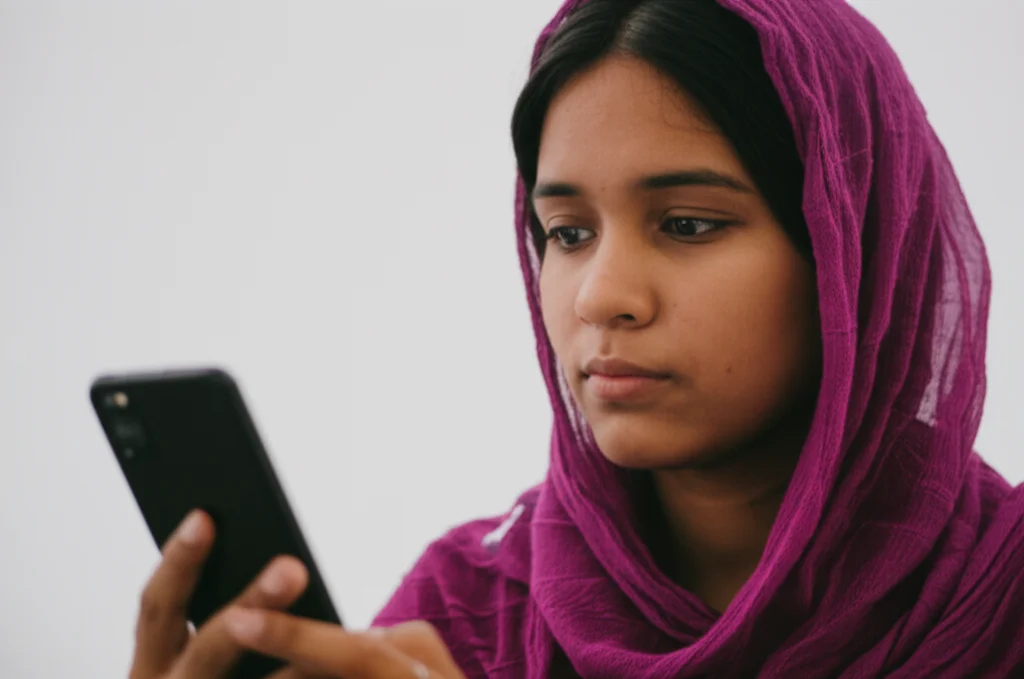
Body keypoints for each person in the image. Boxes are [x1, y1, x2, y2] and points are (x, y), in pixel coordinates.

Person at [125, 0, 1024, 677]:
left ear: (855, 251)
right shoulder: (468, 617)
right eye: (566, 232)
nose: (601, 297)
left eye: (688, 223)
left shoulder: (1000, 597)